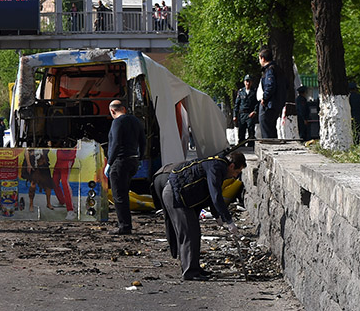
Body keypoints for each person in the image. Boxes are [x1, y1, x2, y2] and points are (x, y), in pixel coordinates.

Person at [156, 152, 246, 281]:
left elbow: (211, 193)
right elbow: (215, 195)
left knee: (195, 233)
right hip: (176, 196)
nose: (235, 176)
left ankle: (195, 268)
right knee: (189, 233)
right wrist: (229, 220)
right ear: (232, 166)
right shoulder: (217, 167)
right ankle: (189, 272)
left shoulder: (217, 165)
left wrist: (217, 215)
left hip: (184, 197)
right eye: (237, 172)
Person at [106, 100, 146, 235]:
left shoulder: (117, 122)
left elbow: (116, 143)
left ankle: (124, 226)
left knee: (119, 196)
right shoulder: (136, 121)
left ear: (112, 111)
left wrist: (109, 162)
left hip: (120, 161)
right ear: (124, 108)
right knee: (124, 192)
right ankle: (125, 224)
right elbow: (143, 141)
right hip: (133, 161)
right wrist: (140, 158)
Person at [257, 48, 285, 139]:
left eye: (259, 59)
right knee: (271, 129)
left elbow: (270, 86)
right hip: (276, 103)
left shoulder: (269, 70)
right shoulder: (278, 69)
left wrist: (264, 98)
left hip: (269, 104)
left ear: (263, 58)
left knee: (266, 128)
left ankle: (269, 147)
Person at [52, 141, 77, 220]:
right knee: (54, 182)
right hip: (59, 159)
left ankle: (71, 210)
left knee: (64, 182)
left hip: (67, 159)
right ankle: (62, 201)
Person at [233, 75, 257, 147]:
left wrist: (255, 111)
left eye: (249, 81)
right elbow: (237, 104)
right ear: (244, 82)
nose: (248, 83)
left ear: (251, 82)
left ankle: (251, 145)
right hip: (242, 114)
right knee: (241, 131)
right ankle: (241, 145)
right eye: (246, 81)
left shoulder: (254, 92)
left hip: (250, 114)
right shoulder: (241, 92)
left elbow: (256, 103)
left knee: (251, 130)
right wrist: (235, 115)